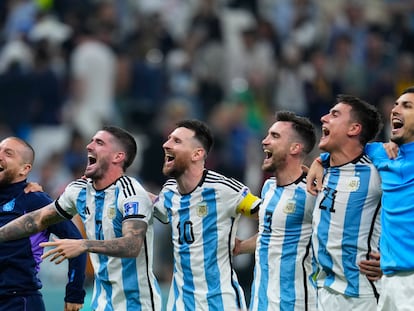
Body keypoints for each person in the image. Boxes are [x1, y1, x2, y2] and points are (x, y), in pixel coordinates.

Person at [0, 126, 162, 311]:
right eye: (91, 140)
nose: (88, 146)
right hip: (101, 303)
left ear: (118, 156)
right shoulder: (79, 190)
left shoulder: (131, 193)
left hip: (137, 306)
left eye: (99, 143)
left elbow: (132, 245)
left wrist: (83, 245)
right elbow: (35, 220)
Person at [308, 86, 414, 311]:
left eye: (407, 106)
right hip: (371, 286)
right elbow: (351, 151)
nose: (396, 110)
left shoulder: (378, 166)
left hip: (374, 290)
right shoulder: (380, 155)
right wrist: (320, 161)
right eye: (395, 105)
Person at [153, 119, 261, 311]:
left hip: (220, 303)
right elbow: (156, 207)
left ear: (197, 153)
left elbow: (276, 220)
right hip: (180, 304)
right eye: (169, 139)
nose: (166, 144)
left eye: (176, 141)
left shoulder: (225, 190)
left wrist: (244, 246)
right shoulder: (169, 192)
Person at [234, 111, 318, 310]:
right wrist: (241, 247)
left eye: (275, 136)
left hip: (295, 302)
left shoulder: (312, 192)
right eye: (267, 135)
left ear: (295, 148)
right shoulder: (269, 187)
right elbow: (272, 233)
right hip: (261, 300)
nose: (265, 141)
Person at [308, 94, 383, 311]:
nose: (323, 118)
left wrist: (394, 257)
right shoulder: (322, 171)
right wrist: (319, 161)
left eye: (334, 114)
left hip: (361, 297)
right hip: (321, 292)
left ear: (354, 129)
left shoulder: (376, 173)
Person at [0, 136, 86, 311]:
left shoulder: (35, 200)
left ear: (25, 169)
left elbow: (77, 242)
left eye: (8, 153)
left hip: (17, 302)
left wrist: (74, 292)